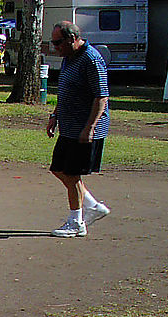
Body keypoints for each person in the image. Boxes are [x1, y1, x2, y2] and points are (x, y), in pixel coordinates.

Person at [47, 21, 110, 237]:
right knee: (59, 169)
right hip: (68, 126)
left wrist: (89, 128)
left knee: (72, 174)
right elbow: (65, 91)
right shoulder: (68, 59)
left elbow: (101, 97)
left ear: (72, 39)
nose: (55, 47)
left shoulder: (91, 60)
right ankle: (93, 206)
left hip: (84, 129)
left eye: (58, 42)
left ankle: (76, 223)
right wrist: (55, 115)